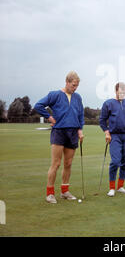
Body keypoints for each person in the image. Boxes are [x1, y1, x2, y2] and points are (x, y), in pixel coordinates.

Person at [34, 71, 84, 204]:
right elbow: (38, 105)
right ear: (67, 82)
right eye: (73, 85)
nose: (75, 88)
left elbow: (80, 115)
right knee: (56, 164)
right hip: (59, 132)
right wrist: (49, 117)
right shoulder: (55, 95)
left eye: (77, 86)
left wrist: (80, 130)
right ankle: (50, 194)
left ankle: (64, 191)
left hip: (73, 133)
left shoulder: (78, 97)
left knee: (68, 164)